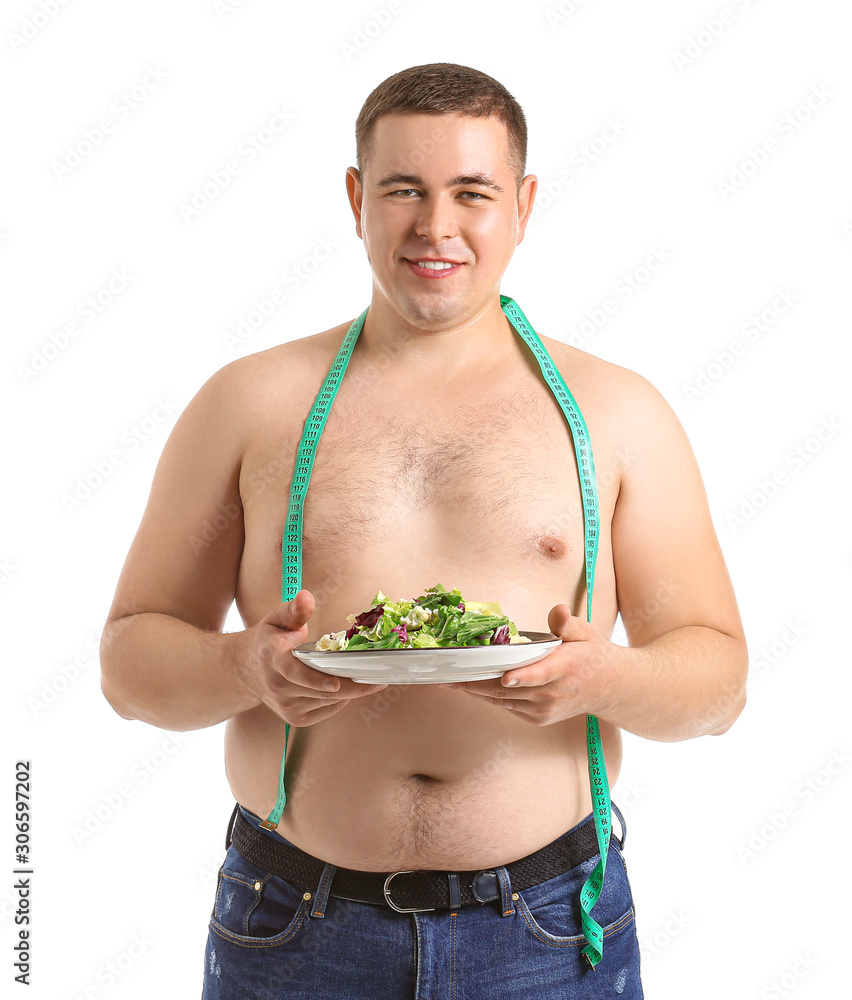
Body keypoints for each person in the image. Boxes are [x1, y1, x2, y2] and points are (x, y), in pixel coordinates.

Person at [99, 62, 747, 998]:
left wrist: (602, 679)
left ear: (523, 205)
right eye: (403, 190)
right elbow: (129, 666)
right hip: (292, 928)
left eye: (472, 194)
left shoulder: (617, 413)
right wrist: (251, 668)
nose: (435, 228)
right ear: (357, 198)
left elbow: (718, 684)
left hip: (548, 932)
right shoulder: (249, 404)